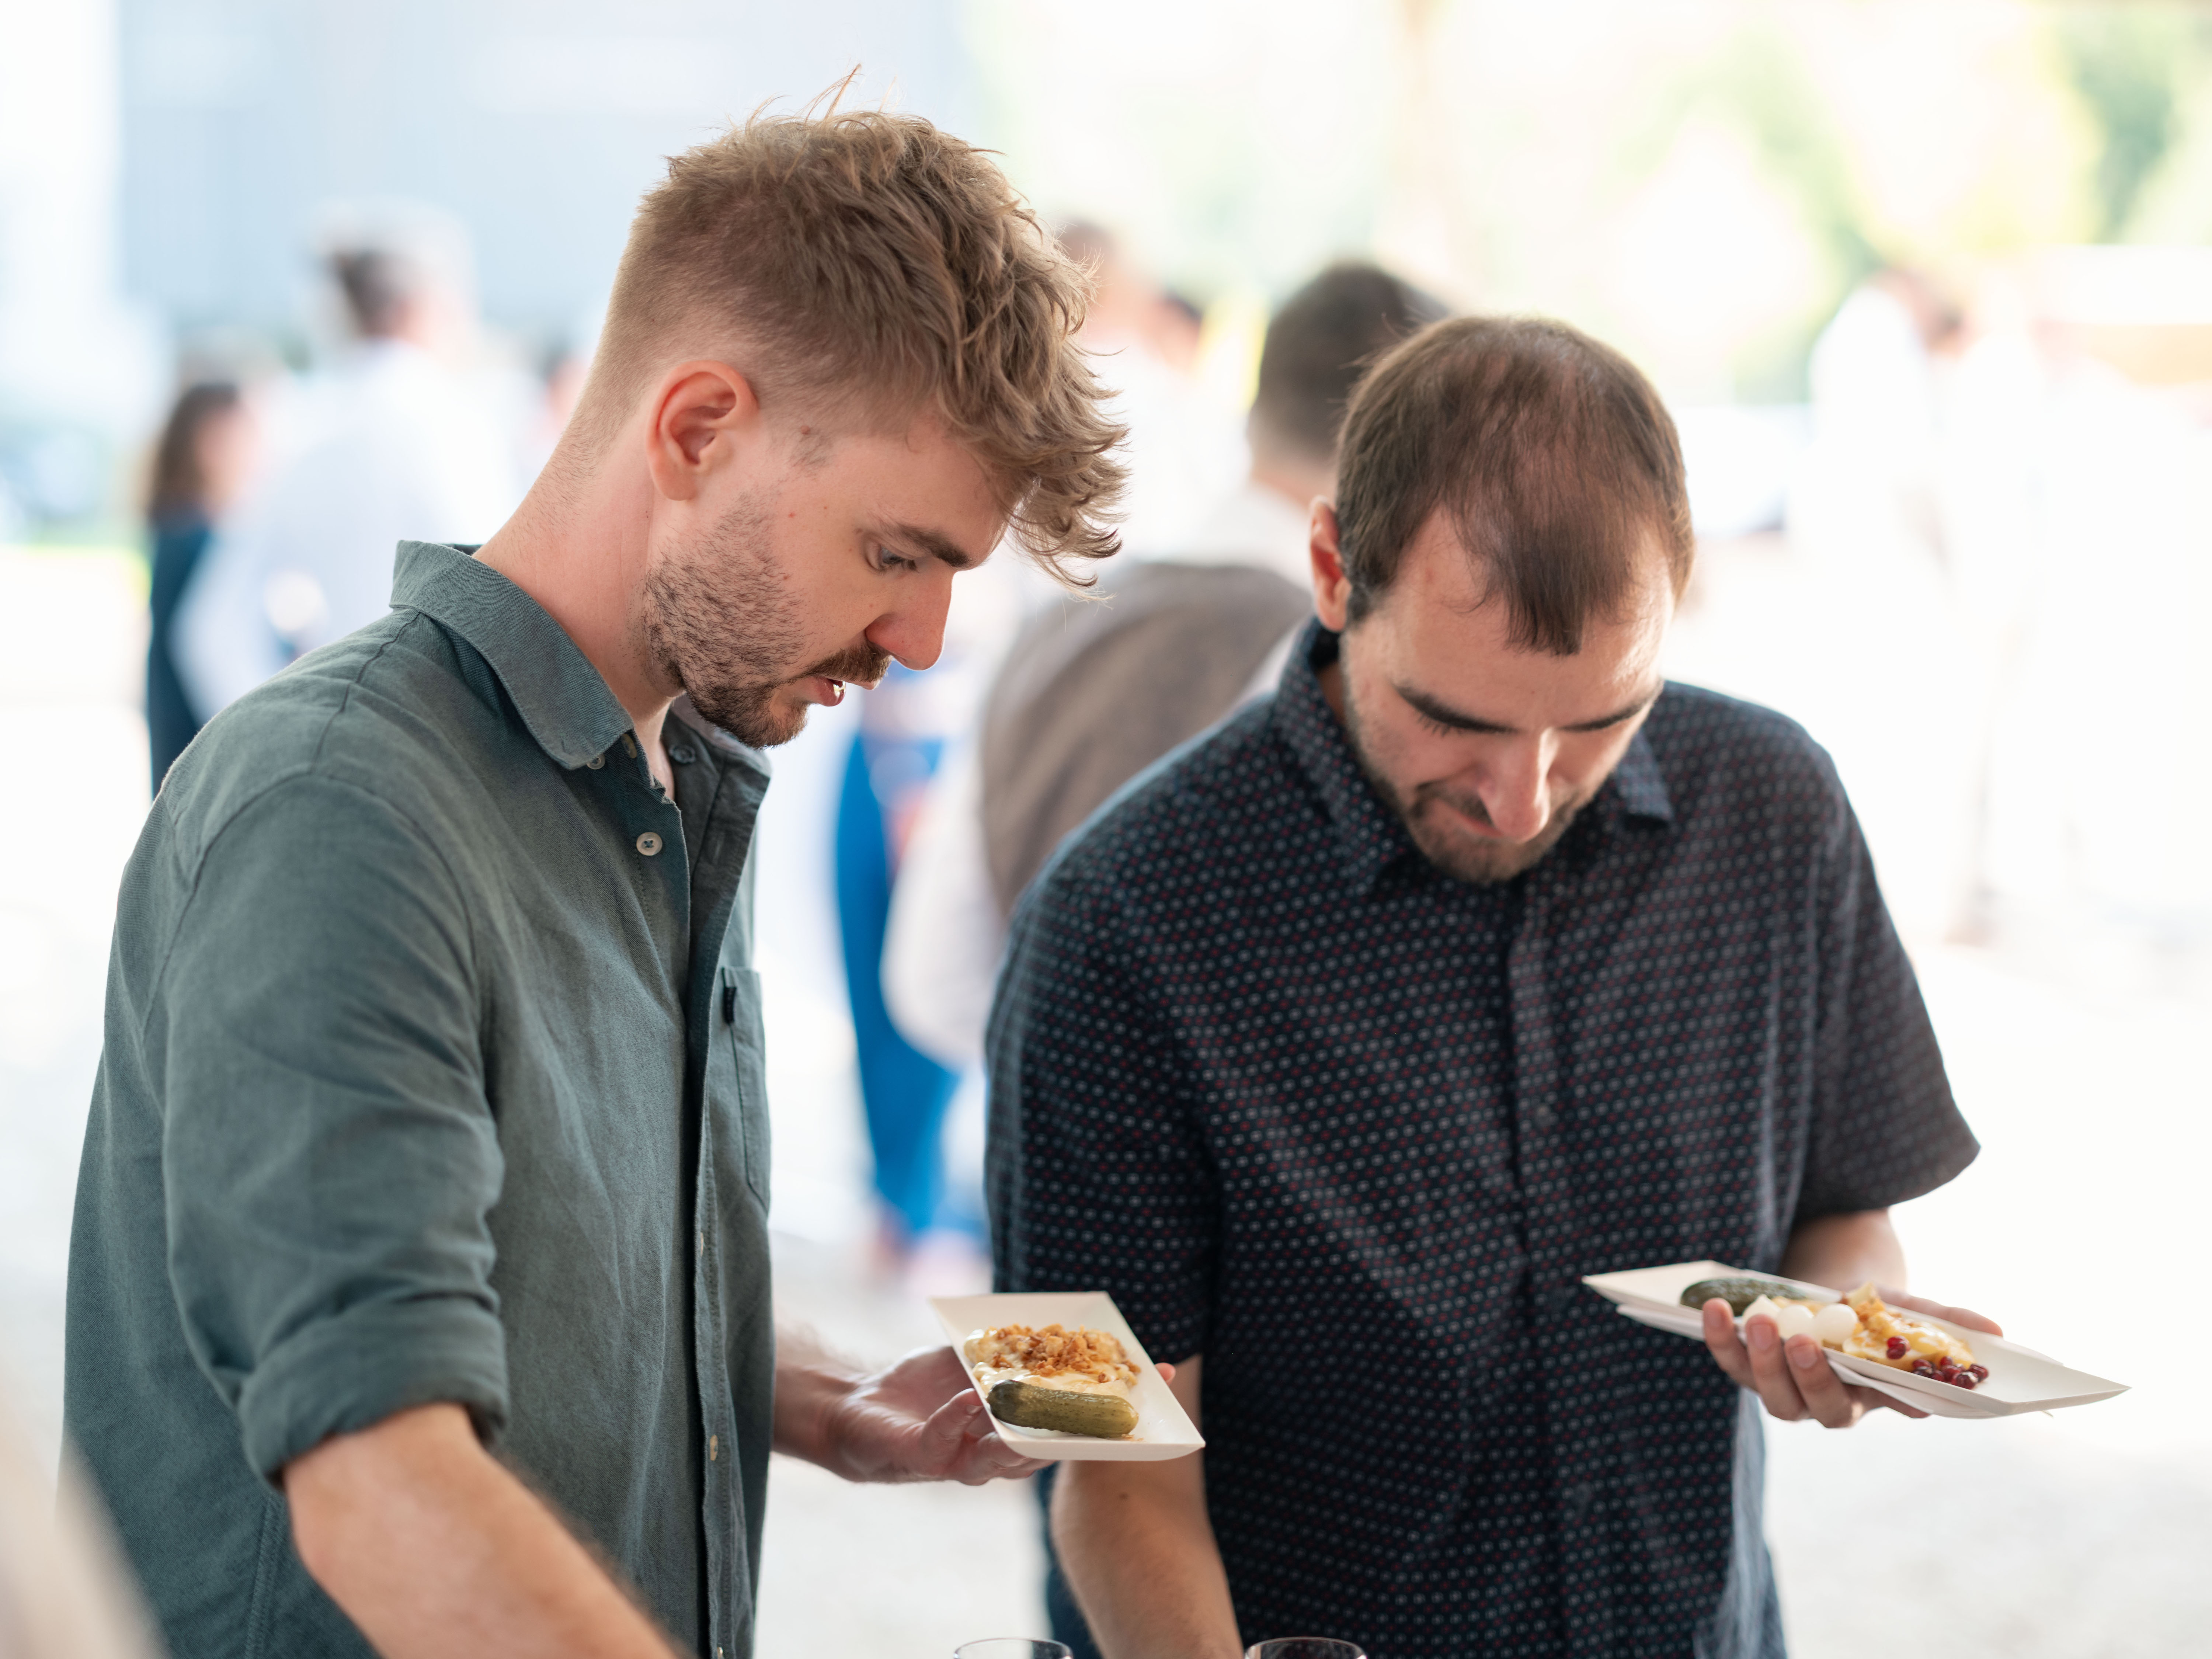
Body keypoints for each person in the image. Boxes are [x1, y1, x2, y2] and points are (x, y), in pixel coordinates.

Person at [66, 103, 1124, 1659]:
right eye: (896, 555)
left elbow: (541, 1266)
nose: (923, 644)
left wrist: (831, 1399)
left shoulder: (671, 783)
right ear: (696, 428)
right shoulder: (340, 812)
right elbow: (380, 1475)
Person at [986, 316, 1990, 1658]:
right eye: (1454, 719)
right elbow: (1089, 1459)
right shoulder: (1110, 920)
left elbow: (1842, 1207)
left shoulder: (1773, 807)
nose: (1520, 798)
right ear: (1337, 569)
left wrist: (1840, 1319)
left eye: (1593, 723)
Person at [884, 262, 1447, 1070]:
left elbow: (934, 981)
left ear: (1258, 412)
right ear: (1422, 458)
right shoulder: (1342, 669)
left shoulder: (1057, 629)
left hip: (1030, 1165)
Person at [172, 218, 521, 719]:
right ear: (419, 308)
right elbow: (501, 607)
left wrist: (279, 739)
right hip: (453, 739)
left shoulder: (304, 433)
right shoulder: (457, 428)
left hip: (345, 732)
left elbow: (212, 632)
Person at [142, 379, 256, 789]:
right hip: (200, 748)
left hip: (182, 743)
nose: (258, 451)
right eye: (247, 435)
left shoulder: (178, 526)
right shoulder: (196, 539)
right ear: (212, 441)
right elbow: (207, 650)